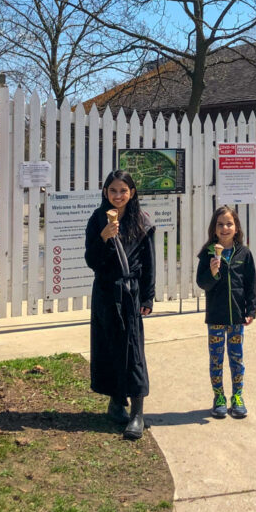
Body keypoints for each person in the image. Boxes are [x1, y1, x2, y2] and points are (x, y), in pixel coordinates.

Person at [84, 170, 156, 440]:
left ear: (132, 193)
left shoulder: (142, 221)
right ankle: (116, 403)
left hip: (131, 292)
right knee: (110, 345)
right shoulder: (97, 219)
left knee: (134, 350)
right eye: (113, 191)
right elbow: (92, 260)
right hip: (105, 291)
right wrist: (103, 237)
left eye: (123, 191)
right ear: (105, 192)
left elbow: (149, 263)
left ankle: (137, 412)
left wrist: (148, 296)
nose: (118, 196)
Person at [196, 205, 256, 419]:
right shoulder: (208, 253)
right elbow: (202, 283)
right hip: (216, 317)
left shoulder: (244, 253)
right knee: (216, 359)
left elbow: (250, 285)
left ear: (236, 227)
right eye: (220, 224)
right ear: (214, 229)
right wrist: (212, 272)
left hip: (237, 318)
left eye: (229, 224)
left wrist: (251, 310)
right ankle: (219, 397)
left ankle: (237, 397)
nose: (225, 228)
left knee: (237, 358)